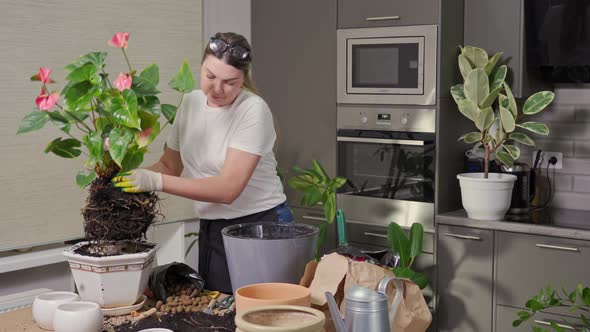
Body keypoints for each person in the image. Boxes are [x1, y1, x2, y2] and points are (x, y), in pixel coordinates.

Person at [112, 32, 293, 294]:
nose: (217, 89)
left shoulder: (253, 110)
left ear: (244, 79)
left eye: (229, 82)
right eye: (210, 76)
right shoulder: (190, 103)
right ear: (201, 67)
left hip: (261, 227)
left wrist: (155, 181)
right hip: (213, 227)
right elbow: (169, 167)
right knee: (215, 310)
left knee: (257, 313)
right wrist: (122, 181)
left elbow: (227, 189)